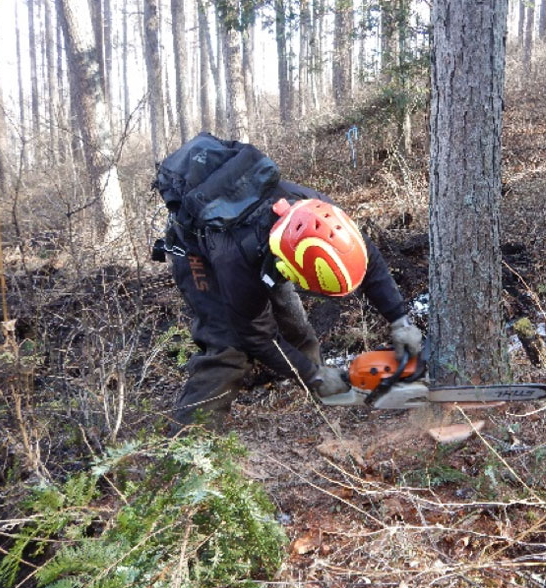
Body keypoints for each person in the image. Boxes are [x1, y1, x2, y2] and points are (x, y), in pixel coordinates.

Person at [152, 133, 422, 431]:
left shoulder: (316, 209)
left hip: (259, 243)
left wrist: (399, 319)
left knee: (294, 323)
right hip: (201, 254)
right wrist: (311, 374)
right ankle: (187, 443)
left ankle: (319, 391)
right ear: (285, 263)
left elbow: (365, 253)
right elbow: (256, 334)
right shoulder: (236, 262)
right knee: (229, 349)